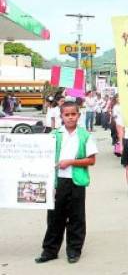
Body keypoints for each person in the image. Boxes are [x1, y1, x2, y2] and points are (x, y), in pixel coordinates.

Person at [35, 101, 98, 264]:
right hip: (58, 182)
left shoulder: (85, 135)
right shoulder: (55, 135)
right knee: (55, 217)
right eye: (67, 114)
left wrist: (70, 162)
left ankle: (74, 250)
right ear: (61, 116)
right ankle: (50, 250)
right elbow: (43, 157)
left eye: (73, 114)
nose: (70, 117)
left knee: (76, 217)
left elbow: (91, 160)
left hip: (76, 182)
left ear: (79, 115)